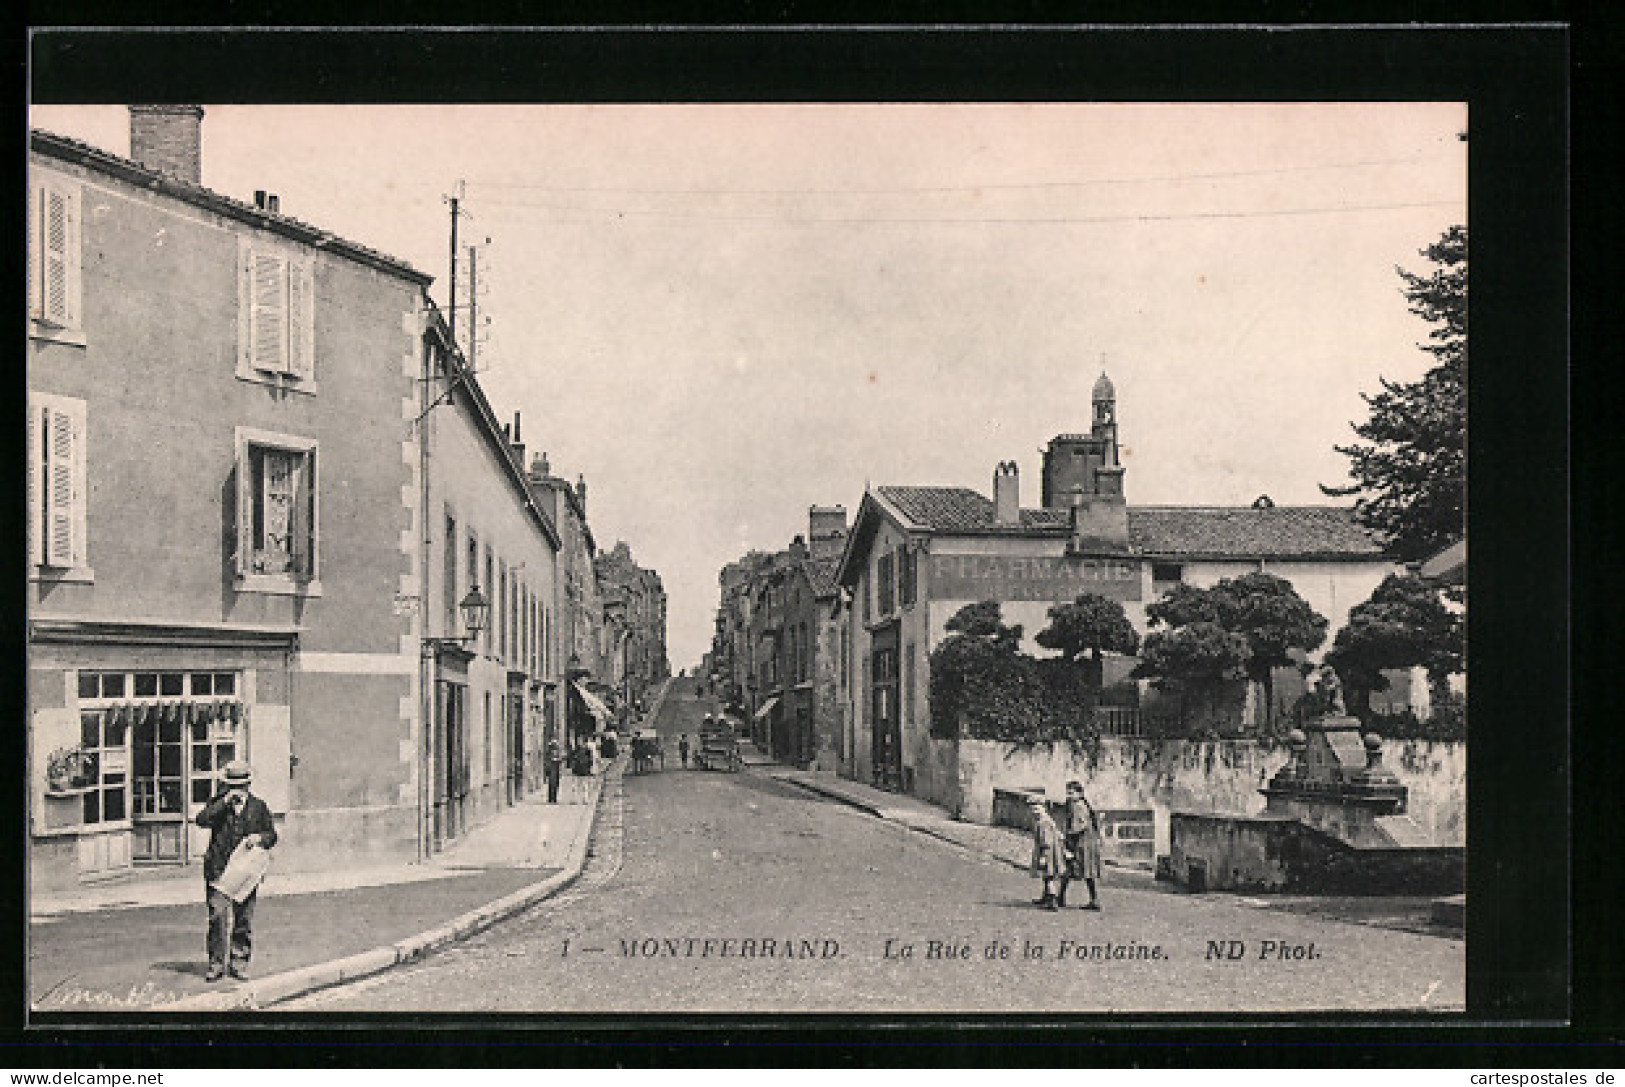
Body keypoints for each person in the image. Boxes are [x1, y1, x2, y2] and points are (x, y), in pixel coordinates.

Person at [195, 759, 277, 981]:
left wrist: (259, 838)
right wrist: (223, 803)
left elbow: (271, 835)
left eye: (240, 786)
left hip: (246, 871)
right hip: (219, 870)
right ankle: (216, 964)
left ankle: (239, 961)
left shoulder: (258, 807)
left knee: (243, 919)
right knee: (217, 917)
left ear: (248, 785)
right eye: (232, 786)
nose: (236, 790)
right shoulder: (217, 804)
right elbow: (201, 820)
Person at [1059, 779, 1104, 911]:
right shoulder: (1079, 804)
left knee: (1071, 869)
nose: (1069, 796)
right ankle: (1093, 899)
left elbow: (1079, 826)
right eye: (1068, 793)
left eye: (1071, 793)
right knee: (1086, 872)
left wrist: (1067, 836)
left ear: (1079, 794)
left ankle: (1061, 897)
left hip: (1082, 843)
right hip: (1086, 842)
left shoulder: (1079, 806)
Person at [1027, 793, 1064, 911]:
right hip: (1051, 851)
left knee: (1049, 877)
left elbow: (1046, 842)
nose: (1035, 811)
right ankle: (1046, 897)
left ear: (1044, 808)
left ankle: (1052, 901)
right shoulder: (1046, 820)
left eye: (1037, 808)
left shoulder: (1044, 823)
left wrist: (1044, 856)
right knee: (1047, 876)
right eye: (1032, 809)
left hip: (1047, 852)